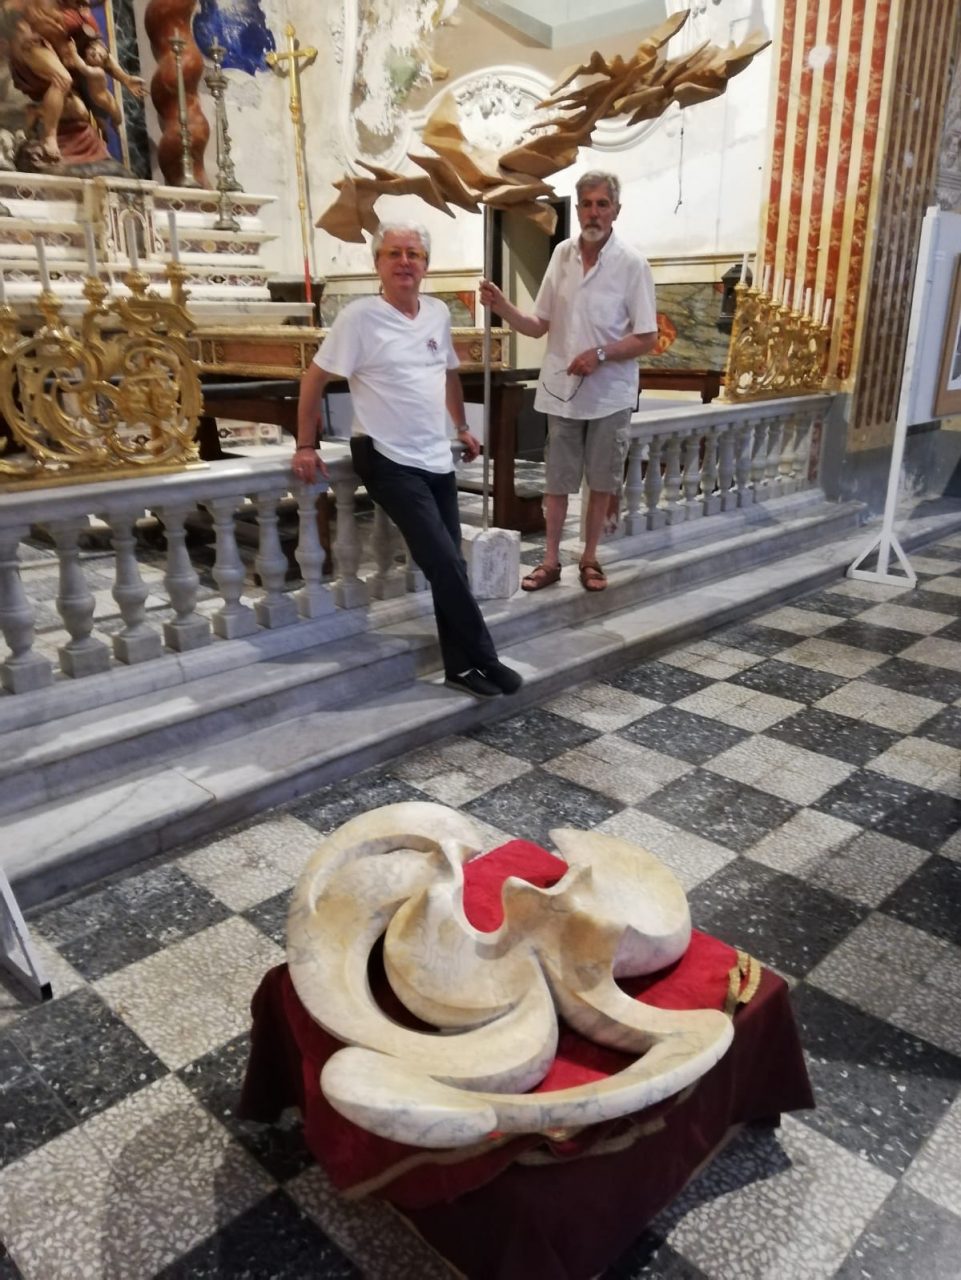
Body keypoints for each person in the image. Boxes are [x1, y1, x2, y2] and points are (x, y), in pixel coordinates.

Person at [294, 221, 522, 701]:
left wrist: (460, 427)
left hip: (434, 455)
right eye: (394, 253)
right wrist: (305, 444)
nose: (404, 262)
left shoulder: (437, 313)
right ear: (377, 263)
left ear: (425, 266)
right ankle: (486, 657)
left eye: (413, 254)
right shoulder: (359, 318)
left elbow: (449, 376)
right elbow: (313, 381)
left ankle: (460, 668)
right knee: (443, 561)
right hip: (384, 454)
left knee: (449, 567)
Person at [479, 171, 658, 593]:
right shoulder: (561, 255)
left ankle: (590, 557)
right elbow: (538, 325)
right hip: (562, 392)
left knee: (600, 482)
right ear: (576, 209)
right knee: (556, 481)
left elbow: (647, 336)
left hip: (610, 394)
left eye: (602, 204)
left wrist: (600, 354)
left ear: (616, 210)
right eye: (587, 204)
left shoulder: (632, 264)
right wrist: (502, 305)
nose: (594, 212)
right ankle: (551, 559)